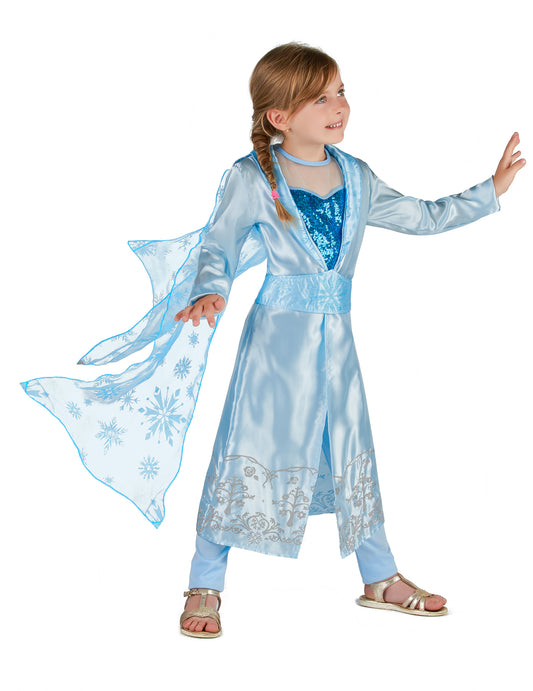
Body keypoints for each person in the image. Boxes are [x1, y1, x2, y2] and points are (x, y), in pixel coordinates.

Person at [20, 42, 524, 639]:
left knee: (351, 445)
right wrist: (211, 290)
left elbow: (423, 216)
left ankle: (379, 576)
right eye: (320, 99)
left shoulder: (357, 176)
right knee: (245, 448)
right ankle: (204, 581)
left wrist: (491, 189)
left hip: (338, 342)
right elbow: (219, 244)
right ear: (279, 117)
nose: (339, 106)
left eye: (340, 92)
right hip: (275, 345)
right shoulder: (251, 177)